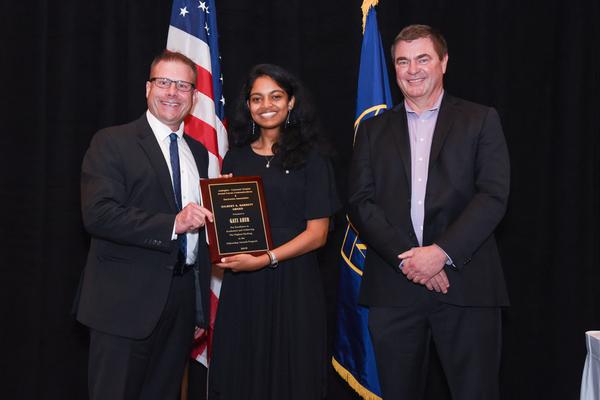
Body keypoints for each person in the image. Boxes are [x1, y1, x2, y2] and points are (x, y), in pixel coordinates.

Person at [348, 24, 510, 399]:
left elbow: (493, 197)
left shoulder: (480, 119)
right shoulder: (372, 131)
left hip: (467, 286)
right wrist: (412, 262)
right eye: (403, 61)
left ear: (444, 62)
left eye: (423, 58)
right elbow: (360, 202)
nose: (412, 69)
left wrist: (440, 254)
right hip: (394, 288)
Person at [75, 50, 213, 400]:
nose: (172, 93)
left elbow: (200, 238)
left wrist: (197, 305)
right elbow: (98, 214)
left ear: (195, 97)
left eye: (182, 86)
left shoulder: (197, 152)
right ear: (147, 88)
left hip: (180, 304)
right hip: (123, 304)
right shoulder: (112, 142)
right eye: (164, 82)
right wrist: (173, 223)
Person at [207, 64, 340, 400]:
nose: (266, 104)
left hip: (294, 281)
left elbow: (318, 234)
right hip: (243, 286)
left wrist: (266, 259)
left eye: (275, 96)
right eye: (256, 98)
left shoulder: (314, 158)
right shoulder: (234, 158)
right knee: (242, 370)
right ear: (248, 106)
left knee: (293, 374)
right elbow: (230, 223)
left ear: (291, 102)